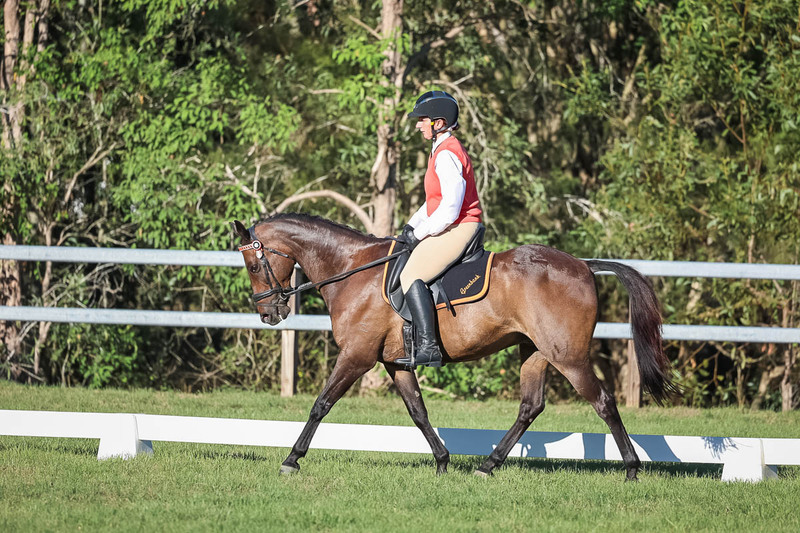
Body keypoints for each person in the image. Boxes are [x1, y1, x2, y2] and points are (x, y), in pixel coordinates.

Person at [395, 90, 483, 368]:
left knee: (411, 274)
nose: (418, 124)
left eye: (422, 120)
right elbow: (434, 202)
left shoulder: (447, 155)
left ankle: (429, 347)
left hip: (461, 226)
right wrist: (411, 226)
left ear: (439, 123)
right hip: (453, 223)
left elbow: (450, 210)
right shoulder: (439, 150)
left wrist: (419, 235)